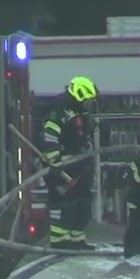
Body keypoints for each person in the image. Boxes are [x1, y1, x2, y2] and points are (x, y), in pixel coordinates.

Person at [36, 75, 99, 250]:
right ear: (79, 94)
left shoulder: (77, 110)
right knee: (64, 203)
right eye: (87, 100)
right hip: (61, 166)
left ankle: (77, 239)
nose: (89, 104)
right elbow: (50, 134)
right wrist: (54, 159)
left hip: (78, 165)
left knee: (83, 202)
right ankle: (60, 241)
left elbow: (79, 134)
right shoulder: (59, 109)